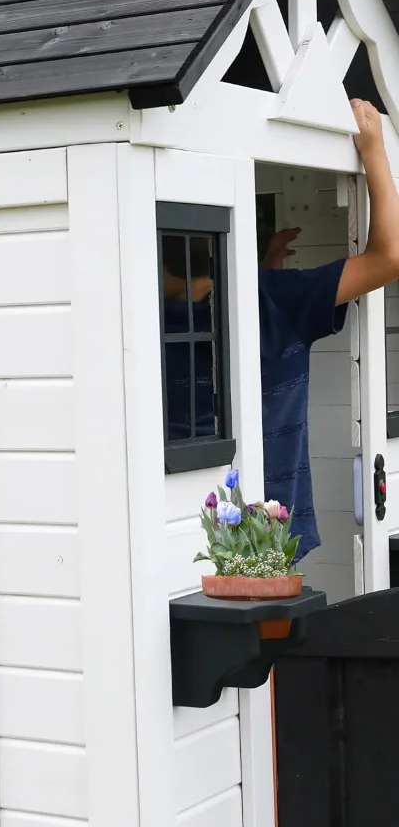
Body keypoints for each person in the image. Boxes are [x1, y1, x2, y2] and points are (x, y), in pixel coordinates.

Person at [164, 99, 399, 562]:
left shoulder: (146, 316)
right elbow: (388, 256)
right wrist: (373, 148)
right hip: (269, 534)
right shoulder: (273, 300)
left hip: (182, 538)